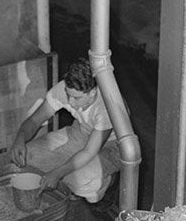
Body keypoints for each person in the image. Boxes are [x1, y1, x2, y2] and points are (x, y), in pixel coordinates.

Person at [8, 58, 122, 203]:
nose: (70, 102)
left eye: (76, 98)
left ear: (93, 92)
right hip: (81, 133)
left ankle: (109, 180)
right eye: (68, 95)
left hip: (112, 146)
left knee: (77, 181)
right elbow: (34, 121)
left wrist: (57, 173)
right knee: (26, 157)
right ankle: (73, 172)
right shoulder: (65, 89)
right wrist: (19, 139)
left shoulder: (106, 104)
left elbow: (89, 152)